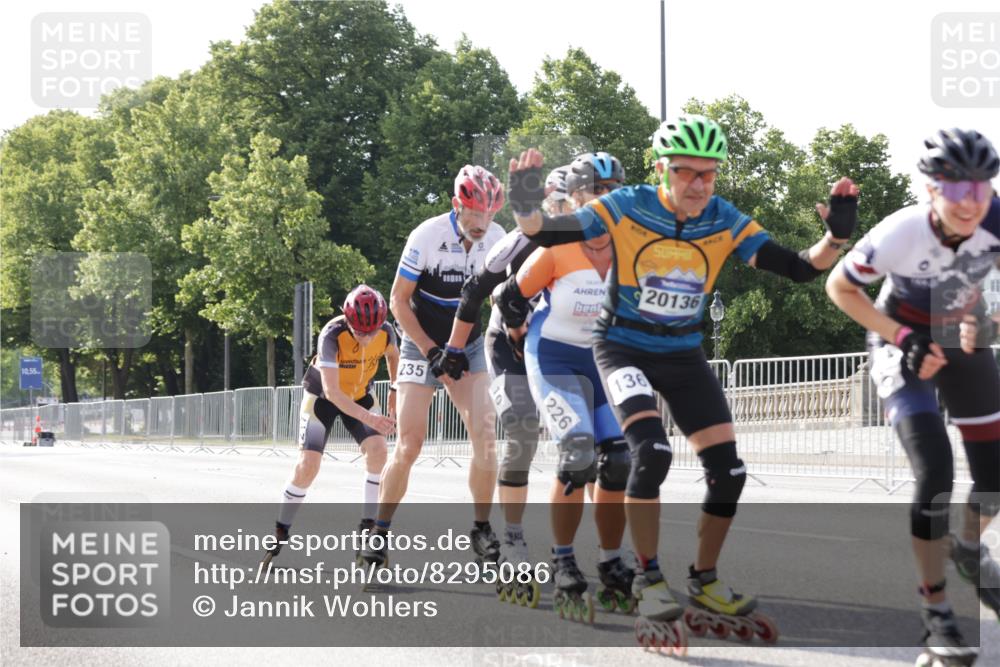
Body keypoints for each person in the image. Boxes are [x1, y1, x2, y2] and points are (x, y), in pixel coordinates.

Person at [505, 114, 858, 648]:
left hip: (681, 354)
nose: (698, 184)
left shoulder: (723, 218)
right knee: (649, 454)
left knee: (730, 471)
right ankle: (647, 578)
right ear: (660, 170)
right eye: (686, 172)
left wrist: (836, 236)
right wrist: (525, 199)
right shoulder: (627, 205)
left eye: (708, 174)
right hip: (621, 346)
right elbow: (545, 231)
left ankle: (704, 579)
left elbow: (798, 267)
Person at [826, 127, 1000, 667]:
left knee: (995, 478)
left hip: (961, 334)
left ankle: (967, 549)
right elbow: (839, 287)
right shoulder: (901, 231)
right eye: (957, 189)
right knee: (936, 473)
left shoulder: (995, 219)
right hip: (899, 339)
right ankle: (936, 612)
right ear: (930, 190)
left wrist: (990, 324)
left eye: (981, 188)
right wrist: (903, 338)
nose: (970, 202)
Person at [499, 151, 635, 622]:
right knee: (578, 455)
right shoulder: (557, 245)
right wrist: (517, 337)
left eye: (614, 190)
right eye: (596, 191)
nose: (606, 199)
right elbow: (509, 298)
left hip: (601, 359)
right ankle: (563, 560)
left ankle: (611, 559)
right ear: (575, 199)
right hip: (554, 357)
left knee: (618, 459)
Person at [441, 164, 571, 607]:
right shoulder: (516, 242)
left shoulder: (596, 243)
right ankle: (513, 538)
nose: (564, 214)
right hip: (506, 346)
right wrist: (453, 350)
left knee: (590, 442)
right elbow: (473, 294)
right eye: (556, 205)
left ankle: (592, 551)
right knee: (521, 431)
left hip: (556, 346)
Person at [365, 165, 506, 567]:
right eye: (474, 213)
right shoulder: (427, 236)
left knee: (485, 435)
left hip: (469, 344)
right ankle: (379, 531)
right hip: (419, 343)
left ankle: (481, 528)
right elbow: (398, 301)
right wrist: (430, 352)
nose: (481, 223)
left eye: (489, 214)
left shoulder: (497, 238)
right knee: (410, 443)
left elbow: (500, 299)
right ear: (456, 205)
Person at [264, 285, 398, 566]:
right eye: (360, 332)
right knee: (308, 466)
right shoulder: (332, 334)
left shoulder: (386, 331)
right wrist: (372, 419)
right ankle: (281, 528)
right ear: (347, 321)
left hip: (360, 395)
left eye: (372, 332)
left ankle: (368, 527)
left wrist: (395, 391)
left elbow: (393, 356)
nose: (367, 338)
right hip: (323, 398)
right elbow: (334, 393)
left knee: (378, 451)